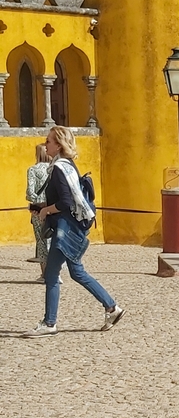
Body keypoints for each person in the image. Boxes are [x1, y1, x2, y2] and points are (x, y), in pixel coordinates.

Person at [23, 126, 125, 337]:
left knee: (52, 275)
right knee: (76, 272)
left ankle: (49, 323)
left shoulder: (60, 168)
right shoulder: (66, 166)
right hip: (69, 228)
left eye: (49, 141)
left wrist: (46, 211)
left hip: (65, 230)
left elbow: (66, 202)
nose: (46, 144)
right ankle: (111, 308)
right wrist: (41, 206)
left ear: (58, 145)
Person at [25, 144, 52, 276]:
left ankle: (45, 274)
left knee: (42, 240)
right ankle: (56, 272)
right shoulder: (55, 169)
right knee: (54, 239)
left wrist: (36, 201)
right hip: (54, 208)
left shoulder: (33, 170)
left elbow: (30, 193)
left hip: (39, 210)